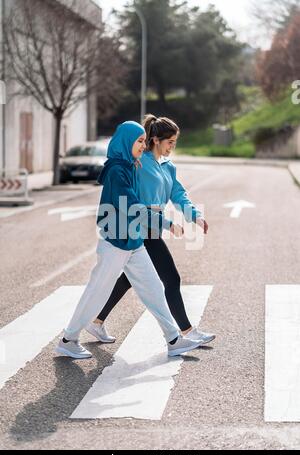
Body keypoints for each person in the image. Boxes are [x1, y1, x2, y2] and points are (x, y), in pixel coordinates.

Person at [56, 121, 203, 359]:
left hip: (133, 241)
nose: (143, 146)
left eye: (144, 141)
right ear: (126, 141)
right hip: (116, 242)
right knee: (97, 292)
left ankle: (174, 339)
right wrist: (166, 224)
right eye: (139, 141)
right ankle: (68, 339)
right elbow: (134, 207)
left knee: (154, 288)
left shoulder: (130, 165)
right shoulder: (117, 171)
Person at [86, 115, 216, 345]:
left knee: (127, 279)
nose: (172, 147)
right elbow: (129, 197)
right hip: (139, 227)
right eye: (170, 142)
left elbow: (178, 194)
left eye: (175, 142)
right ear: (155, 140)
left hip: (151, 227)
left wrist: (195, 215)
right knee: (171, 279)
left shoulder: (168, 166)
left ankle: (96, 321)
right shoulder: (139, 163)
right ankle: (186, 332)